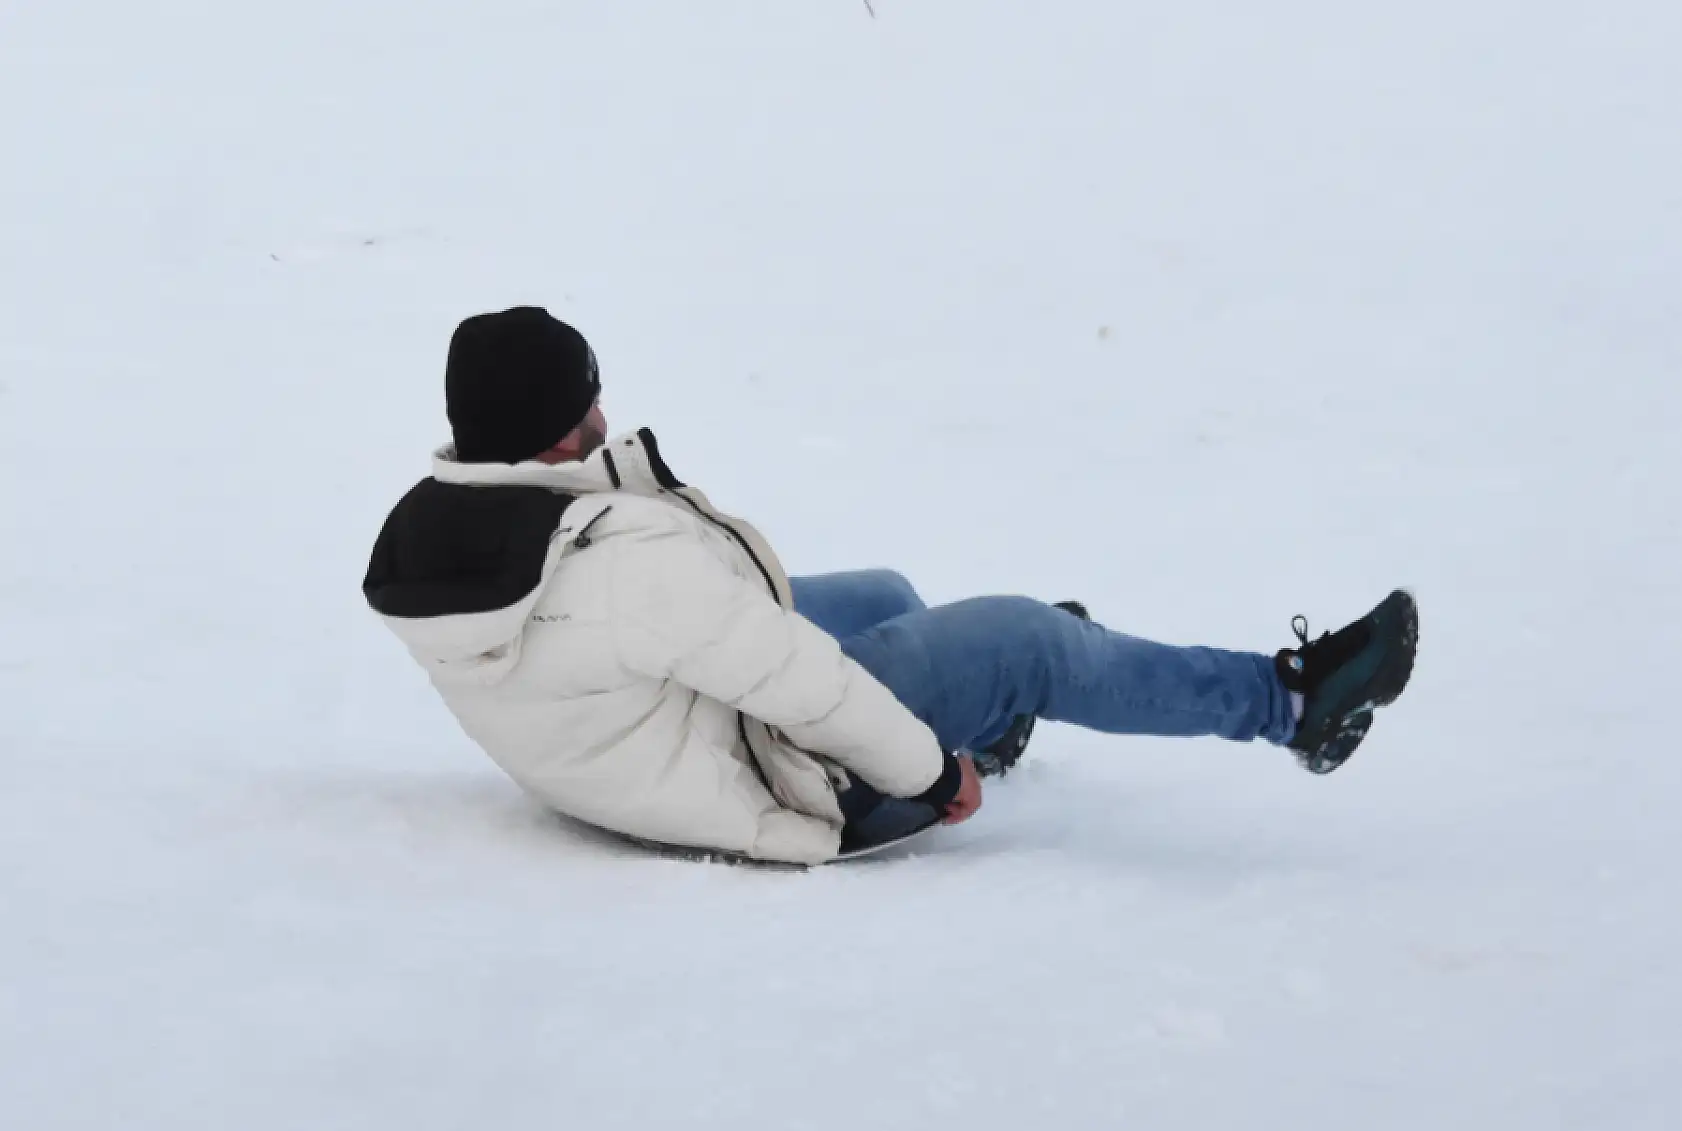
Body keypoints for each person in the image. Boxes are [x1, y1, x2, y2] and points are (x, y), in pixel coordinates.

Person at [363, 307, 1418, 865]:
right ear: (547, 430)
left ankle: (994, 705)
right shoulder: (618, 566)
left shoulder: (454, 529)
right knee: (1024, 637)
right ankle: (1287, 703)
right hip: (767, 772)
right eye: (584, 411)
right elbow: (796, 687)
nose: (604, 420)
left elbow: (667, 622)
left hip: (634, 733)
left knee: (880, 593)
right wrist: (921, 773)